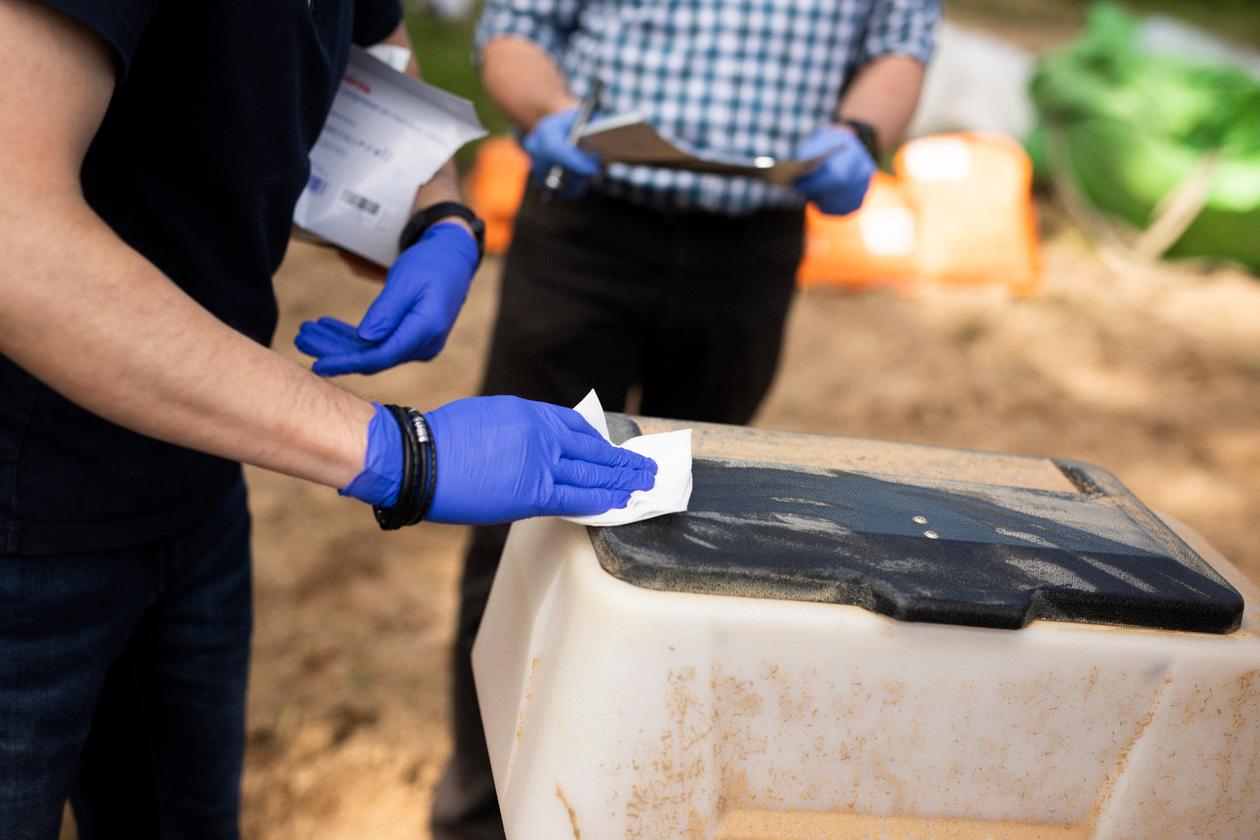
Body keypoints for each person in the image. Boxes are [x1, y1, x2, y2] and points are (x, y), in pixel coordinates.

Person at [0, 0, 656, 837]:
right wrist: (395, 448)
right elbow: (14, 235)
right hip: (23, 522)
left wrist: (438, 209)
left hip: (190, 485)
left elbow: (370, 47)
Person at [433, 0, 942, 836]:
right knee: (520, 522)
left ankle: (640, 802)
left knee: (700, 533)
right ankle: (483, 809)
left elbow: (900, 43)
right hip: (586, 227)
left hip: (751, 250)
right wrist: (552, 115)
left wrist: (859, 134)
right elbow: (515, 30)